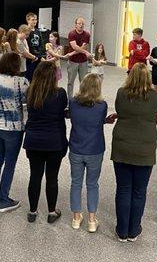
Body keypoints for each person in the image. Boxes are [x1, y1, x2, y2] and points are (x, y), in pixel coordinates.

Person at [110, 63, 157, 242]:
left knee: (123, 189)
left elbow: (119, 110)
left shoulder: (121, 93)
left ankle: (122, 230)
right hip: (145, 147)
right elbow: (155, 115)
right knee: (139, 191)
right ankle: (134, 230)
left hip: (122, 145)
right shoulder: (156, 96)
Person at [24, 62, 68, 224]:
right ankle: (51, 212)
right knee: (52, 178)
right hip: (54, 141)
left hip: (33, 140)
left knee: (34, 175)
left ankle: (32, 211)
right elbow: (62, 111)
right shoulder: (60, 94)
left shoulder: (30, 92)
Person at [68, 74, 110, 233]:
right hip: (95, 149)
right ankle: (92, 220)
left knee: (76, 183)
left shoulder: (72, 103)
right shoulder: (102, 106)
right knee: (92, 184)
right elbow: (97, 120)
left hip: (76, 149)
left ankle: (76, 218)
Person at [0, 52, 30, 212]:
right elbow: (28, 99)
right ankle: (4, 200)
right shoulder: (22, 82)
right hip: (13, 127)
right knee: (10, 162)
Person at [67, 17, 91, 98]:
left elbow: (83, 47)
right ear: (75, 25)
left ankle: (83, 97)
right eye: (79, 23)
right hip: (73, 61)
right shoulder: (71, 34)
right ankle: (69, 99)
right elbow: (75, 47)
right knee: (70, 81)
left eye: (83, 24)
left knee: (83, 81)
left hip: (83, 62)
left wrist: (73, 53)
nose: (81, 25)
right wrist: (86, 52)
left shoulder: (87, 34)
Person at [25, 12, 44, 81]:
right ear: (28, 20)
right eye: (33, 19)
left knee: (37, 77)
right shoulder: (26, 31)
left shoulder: (37, 31)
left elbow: (41, 43)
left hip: (38, 57)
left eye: (36, 19)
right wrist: (34, 55)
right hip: (30, 57)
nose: (35, 21)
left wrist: (40, 55)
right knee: (29, 76)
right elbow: (29, 45)